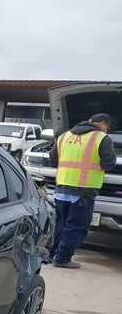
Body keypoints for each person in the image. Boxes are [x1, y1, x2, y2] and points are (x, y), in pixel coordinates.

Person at [48, 112, 117, 269]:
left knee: (59, 224)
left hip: (61, 187)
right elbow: (108, 163)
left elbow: (53, 159)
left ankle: (51, 254)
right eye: (108, 127)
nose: (108, 130)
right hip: (83, 190)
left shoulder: (65, 136)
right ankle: (63, 259)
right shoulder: (101, 138)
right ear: (104, 124)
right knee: (76, 226)